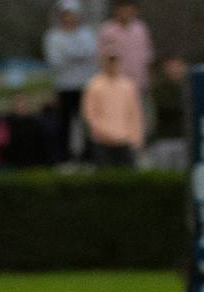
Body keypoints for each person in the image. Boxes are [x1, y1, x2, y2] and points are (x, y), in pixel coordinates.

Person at [42, 1, 99, 161]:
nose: (69, 18)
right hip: (64, 86)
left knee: (86, 121)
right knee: (64, 123)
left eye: (72, 14)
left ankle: (88, 157)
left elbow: (90, 53)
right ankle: (65, 157)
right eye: (66, 15)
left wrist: (68, 53)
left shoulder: (87, 34)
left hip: (84, 85)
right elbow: (54, 60)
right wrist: (76, 54)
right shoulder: (53, 36)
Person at [98, 0, 155, 134]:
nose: (126, 12)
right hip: (118, 85)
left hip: (139, 83)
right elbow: (104, 59)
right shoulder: (107, 30)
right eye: (122, 8)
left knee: (142, 120)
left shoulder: (140, 28)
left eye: (129, 8)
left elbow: (148, 56)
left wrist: (149, 79)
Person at [82, 47, 143, 169]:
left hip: (125, 141)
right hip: (102, 141)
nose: (112, 64)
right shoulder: (94, 85)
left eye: (115, 60)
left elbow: (135, 114)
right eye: (109, 61)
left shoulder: (128, 85)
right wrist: (105, 133)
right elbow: (89, 115)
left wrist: (137, 139)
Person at [145, 57, 189, 170]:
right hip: (164, 139)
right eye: (172, 67)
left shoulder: (188, 88)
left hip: (183, 138)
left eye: (178, 67)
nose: (176, 70)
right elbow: (167, 107)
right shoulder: (159, 89)